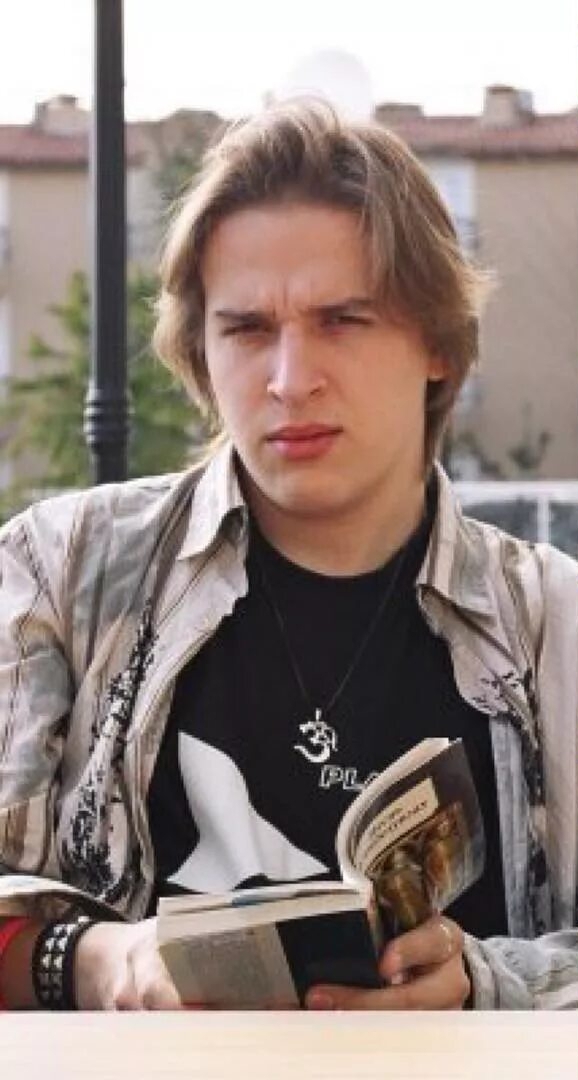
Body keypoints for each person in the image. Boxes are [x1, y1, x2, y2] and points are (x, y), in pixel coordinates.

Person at [1, 101, 577, 1012]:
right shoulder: (56, 574)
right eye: (246, 329)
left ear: (436, 340)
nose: (289, 379)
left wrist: (487, 984)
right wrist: (100, 962)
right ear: (200, 350)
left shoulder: (555, 624)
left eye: (342, 320)